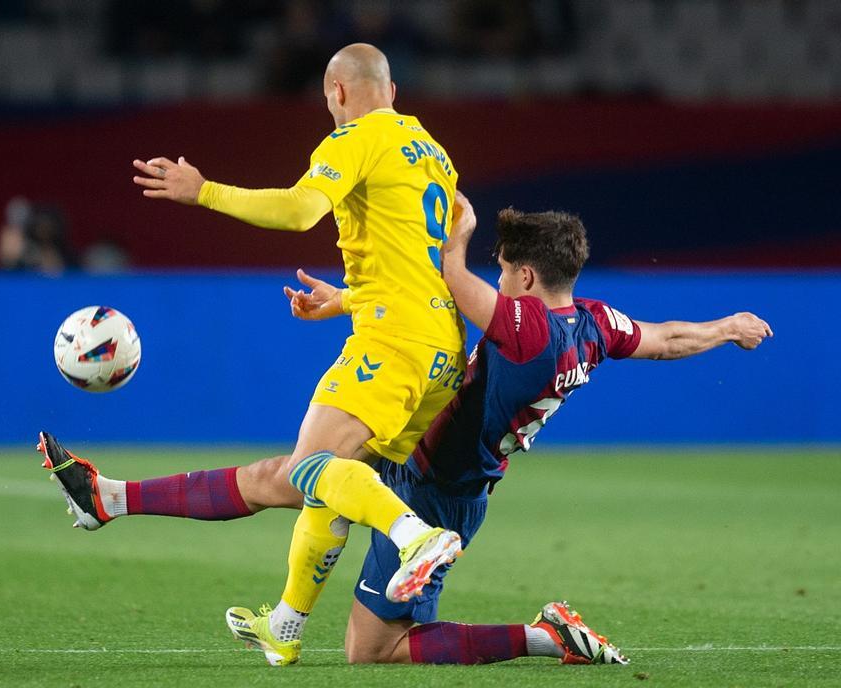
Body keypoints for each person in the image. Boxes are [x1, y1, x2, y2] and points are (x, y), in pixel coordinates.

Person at [39, 193, 771, 667]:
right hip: (421, 460)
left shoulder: (521, 327)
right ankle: (111, 498)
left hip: (436, 491)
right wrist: (727, 327)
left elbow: (444, 280)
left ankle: (543, 637)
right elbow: (668, 337)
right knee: (288, 473)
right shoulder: (594, 324)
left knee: (373, 650)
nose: (497, 275)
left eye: (503, 267)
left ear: (519, 277)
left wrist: (463, 229)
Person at [48, 41, 473, 665]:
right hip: (441, 348)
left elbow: (301, 211)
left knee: (309, 469)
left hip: (393, 340)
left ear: (338, 93)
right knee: (314, 480)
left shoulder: (353, 138)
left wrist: (206, 192)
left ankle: (416, 538)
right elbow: (427, 253)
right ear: (393, 90)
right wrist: (349, 297)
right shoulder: (432, 152)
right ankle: (284, 622)